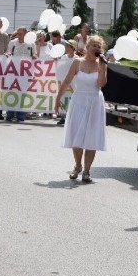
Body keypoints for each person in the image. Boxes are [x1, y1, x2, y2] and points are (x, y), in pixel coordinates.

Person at [54, 36, 108, 183]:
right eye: (94, 46)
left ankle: (86, 171)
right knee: (76, 134)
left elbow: (101, 84)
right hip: (79, 100)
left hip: (95, 101)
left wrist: (103, 67)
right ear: (87, 47)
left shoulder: (101, 64)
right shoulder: (77, 63)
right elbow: (66, 82)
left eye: (99, 46)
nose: (97, 49)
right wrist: (58, 99)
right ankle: (77, 165)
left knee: (92, 137)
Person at [5, 27, 37, 122]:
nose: (18, 36)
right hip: (13, 73)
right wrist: (6, 55)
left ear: (26, 34)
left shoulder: (31, 44)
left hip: (25, 74)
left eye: (20, 34)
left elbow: (34, 55)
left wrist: (36, 57)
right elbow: (9, 52)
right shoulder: (13, 43)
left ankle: (21, 115)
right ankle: (10, 114)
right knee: (12, 93)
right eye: (17, 34)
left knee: (23, 93)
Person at [55, 40, 79, 125]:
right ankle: (63, 116)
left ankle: (71, 117)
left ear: (73, 48)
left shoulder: (77, 59)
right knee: (63, 97)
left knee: (71, 98)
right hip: (64, 81)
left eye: (68, 46)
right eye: (65, 45)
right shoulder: (63, 58)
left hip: (73, 82)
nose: (66, 47)